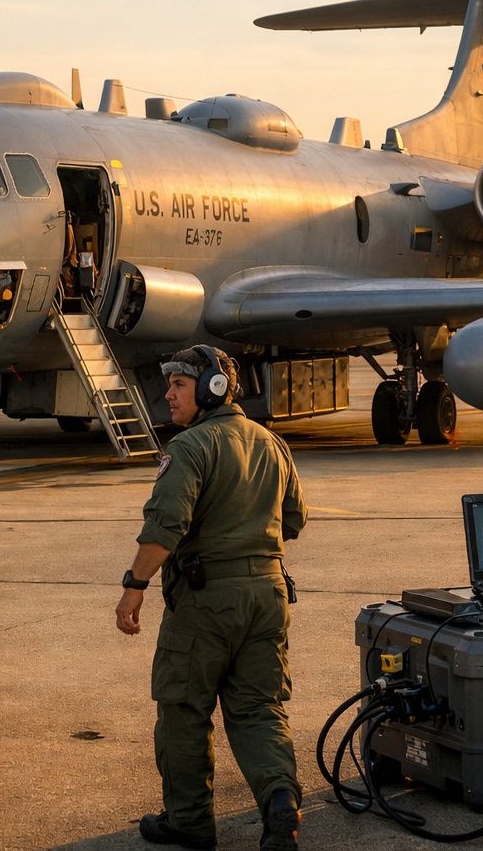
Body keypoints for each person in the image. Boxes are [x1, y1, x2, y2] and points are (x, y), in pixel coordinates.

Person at [114, 345, 307, 851]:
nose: (168, 394)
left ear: (210, 388)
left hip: (205, 601)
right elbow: (294, 521)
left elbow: (164, 528)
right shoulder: (272, 442)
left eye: (179, 385)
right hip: (268, 596)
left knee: (182, 708)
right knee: (259, 710)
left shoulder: (190, 447)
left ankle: (190, 822)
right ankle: (281, 800)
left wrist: (134, 587)